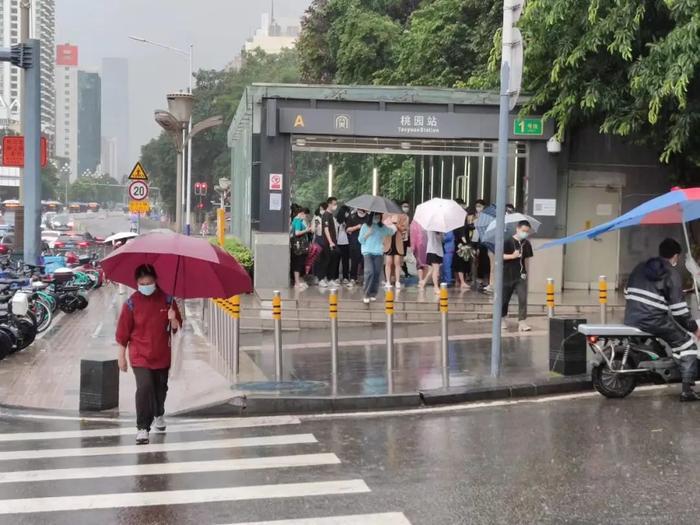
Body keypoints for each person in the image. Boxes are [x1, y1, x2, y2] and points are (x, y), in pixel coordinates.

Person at [625, 239, 700, 402]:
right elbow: (679, 310)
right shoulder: (671, 273)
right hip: (653, 319)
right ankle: (688, 391)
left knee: (671, 332)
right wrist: (694, 328)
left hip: (631, 316)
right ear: (675, 256)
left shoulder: (641, 266)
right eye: (677, 257)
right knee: (687, 344)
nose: (677, 260)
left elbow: (628, 292)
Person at [116, 264, 183, 444]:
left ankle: (159, 413)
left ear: (155, 281)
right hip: (140, 354)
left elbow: (177, 329)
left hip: (162, 353)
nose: (146, 286)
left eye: (149, 282)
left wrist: (173, 318)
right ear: (137, 283)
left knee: (160, 389)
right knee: (144, 388)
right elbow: (123, 333)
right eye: (142, 283)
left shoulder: (168, 300)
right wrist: (121, 356)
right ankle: (142, 428)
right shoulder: (131, 303)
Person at [502, 220, 533, 332]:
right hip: (507, 274)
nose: (525, 233)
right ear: (517, 229)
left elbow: (527, 260)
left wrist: (526, 273)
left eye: (527, 231)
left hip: (521, 275)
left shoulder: (526, 244)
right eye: (523, 230)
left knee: (523, 298)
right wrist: (512, 256)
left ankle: (522, 321)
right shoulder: (507, 241)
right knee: (504, 299)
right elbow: (500, 256)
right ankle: (502, 317)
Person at [359, 212, 396, 303]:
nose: (377, 218)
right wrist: (368, 233)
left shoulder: (382, 227)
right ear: (372, 216)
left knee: (376, 273)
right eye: (376, 216)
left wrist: (391, 223)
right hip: (367, 252)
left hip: (378, 253)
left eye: (379, 216)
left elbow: (391, 232)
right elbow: (360, 240)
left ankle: (373, 293)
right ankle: (366, 294)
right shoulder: (365, 226)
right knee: (370, 272)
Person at [318, 196, 339, 287]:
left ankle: (330, 279)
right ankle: (321, 279)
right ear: (329, 204)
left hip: (333, 242)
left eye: (336, 204)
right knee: (326, 260)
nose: (335, 206)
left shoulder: (331, 215)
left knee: (333, 259)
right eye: (334, 204)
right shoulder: (326, 215)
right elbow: (326, 230)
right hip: (327, 242)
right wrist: (330, 242)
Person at [383, 212, 408, 289]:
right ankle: (388, 281)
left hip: (398, 242)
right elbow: (382, 227)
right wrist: (388, 223)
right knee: (388, 263)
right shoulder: (385, 215)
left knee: (397, 263)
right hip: (388, 242)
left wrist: (395, 224)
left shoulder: (402, 216)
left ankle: (397, 281)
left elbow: (404, 229)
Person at [290, 207, 312, 289]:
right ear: (302, 213)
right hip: (298, 247)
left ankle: (298, 281)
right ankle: (297, 283)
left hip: (297, 246)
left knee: (298, 263)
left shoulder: (295, 220)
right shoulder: (298, 221)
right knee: (298, 264)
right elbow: (297, 232)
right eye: (305, 215)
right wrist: (307, 230)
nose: (305, 217)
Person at [453, 211, 474, 289]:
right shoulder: (462, 225)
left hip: (457, 246)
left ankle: (457, 281)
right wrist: (466, 244)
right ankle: (462, 282)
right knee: (461, 264)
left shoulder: (456, 225)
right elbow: (463, 237)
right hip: (462, 247)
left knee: (457, 264)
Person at [345, 208, 365, 286]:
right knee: (354, 261)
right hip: (354, 241)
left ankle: (365, 278)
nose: (362, 210)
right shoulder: (352, 217)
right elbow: (347, 229)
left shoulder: (369, 218)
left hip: (366, 243)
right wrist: (357, 227)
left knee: (365, 261)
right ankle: (353, 278)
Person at [336, 205, 352, 284]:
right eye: (347, 212)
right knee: (336, 261)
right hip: (337, 243)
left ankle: (345, 277)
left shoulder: (348, 220)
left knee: (345, 261)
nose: (348, 214)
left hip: (346, 243)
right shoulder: (336, 221)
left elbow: (350, 232)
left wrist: (347, 227)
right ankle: (336, 277)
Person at [400, 201, 412, 278]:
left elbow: (408, 229)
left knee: (403, 256)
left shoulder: (407, 217)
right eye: (404, 206)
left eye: (407, 206)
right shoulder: (399, 216)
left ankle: (405, 272)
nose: (406, 208)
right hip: (399, 239)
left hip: (405, 239)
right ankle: (405, 272)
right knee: (400, 256)